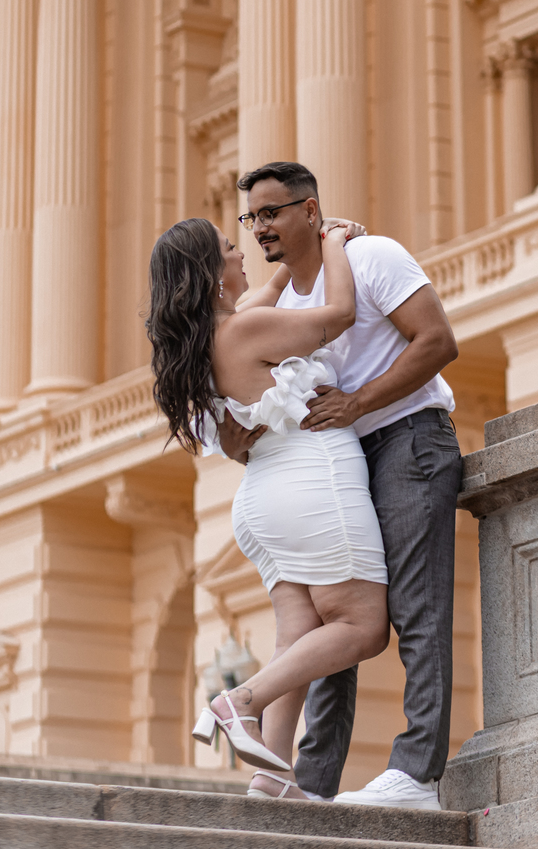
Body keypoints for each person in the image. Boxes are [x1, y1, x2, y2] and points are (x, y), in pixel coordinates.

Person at [219, 161, 462, 812]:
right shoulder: (281, 305)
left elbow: (437, 341)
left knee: (416, 610)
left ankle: (417, 773)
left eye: (271, 212)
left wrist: (358, 402)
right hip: (340, 461)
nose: (259, 227)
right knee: (337, 620)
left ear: (310, 210)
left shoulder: (372, 256)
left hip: (408, 440)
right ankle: (314, 781)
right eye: (251, 217)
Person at [146, 213, 390, 801]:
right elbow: (339, 315)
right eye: (231, 247)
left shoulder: (207, 342)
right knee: (362, 626)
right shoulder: (246, 330)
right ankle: (241, 701)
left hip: (264, 497)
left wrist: (293, 262)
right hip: (312, 480)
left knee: (296, 637)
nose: (242, 253)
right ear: (211, 272)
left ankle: (271, 777)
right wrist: (333, 240)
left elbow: (266, 295)